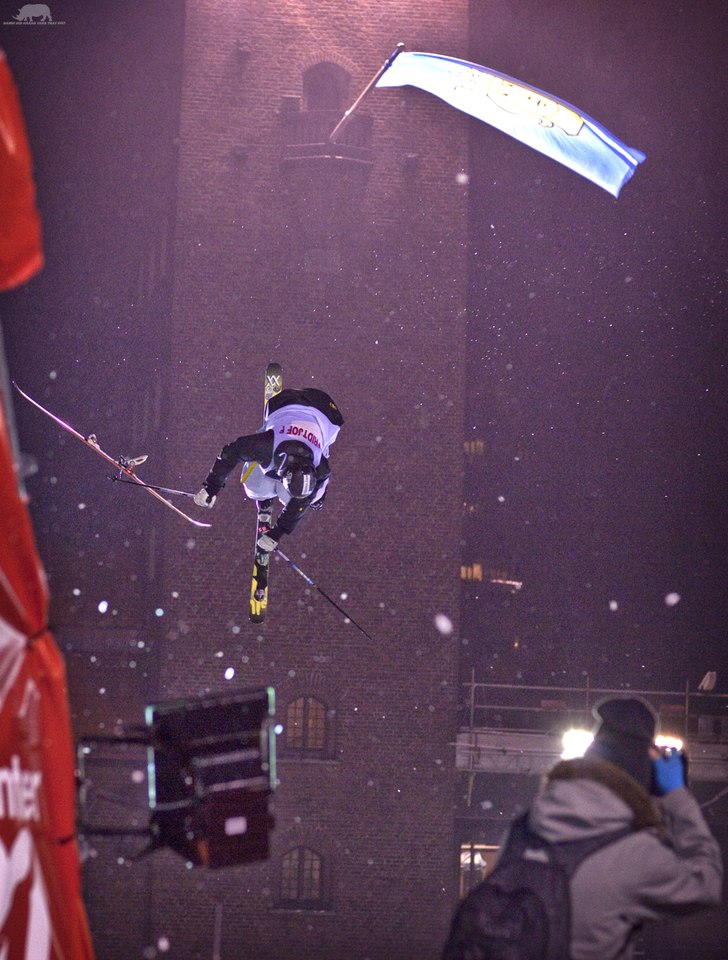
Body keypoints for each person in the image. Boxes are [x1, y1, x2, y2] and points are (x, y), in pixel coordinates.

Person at [520, 695, 723, 959]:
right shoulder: (630, 853)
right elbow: (706, 883)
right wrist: (676, 795)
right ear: (639, 772)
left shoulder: (531, 827)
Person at [194, 387, 343, 551]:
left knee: (312, 500)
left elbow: (303, 501)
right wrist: (211, 487)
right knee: (255, 485)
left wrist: (277, 533)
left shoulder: (321, 468)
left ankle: (271, 493)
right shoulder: (266, 446)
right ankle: (264, 496)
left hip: (325, 413)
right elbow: (231, 451)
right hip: (286, 402)